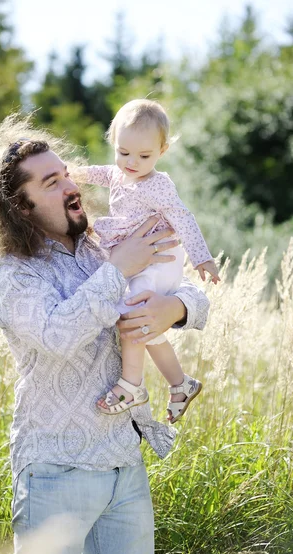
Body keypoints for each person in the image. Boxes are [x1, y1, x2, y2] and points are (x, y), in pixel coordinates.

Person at [0, 113, 210, 554]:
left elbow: (188, 290)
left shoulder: (104, 244)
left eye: (67, 174)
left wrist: (175, 307)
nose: (71, 186)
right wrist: (119, 270)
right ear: (22, 205)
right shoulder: (12, 273)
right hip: (57, 470)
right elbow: (57, 335)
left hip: (124, 465)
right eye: (52, 182)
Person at [74, 99, 219, 424]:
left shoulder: (158, 184)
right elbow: (95, 172)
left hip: (159, 258)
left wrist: (202, 257)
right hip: (141, 259)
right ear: (114, 142)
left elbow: (183, 217)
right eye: (124, 152)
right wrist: (68, 173)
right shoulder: (118, 174)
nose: (132, 162)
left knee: (133, 316)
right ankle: (181, 383)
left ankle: (132, 385)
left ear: (162, 150)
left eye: (144, 156)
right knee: (148, 328)